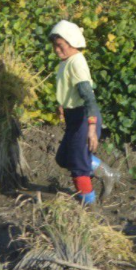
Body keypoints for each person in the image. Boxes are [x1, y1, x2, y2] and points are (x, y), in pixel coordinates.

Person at [50, 20, 117, 204]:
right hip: (74, 116)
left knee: (78, 166)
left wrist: (91, 128)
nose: (57, 50)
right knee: (64, 158)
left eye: (60, 45)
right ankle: (106, 173)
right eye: (55, 45)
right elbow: (70, 89)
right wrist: (63, 104)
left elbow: (88, 97)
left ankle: (89, 208)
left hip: (84, 117)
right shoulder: (66, 61)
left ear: (72, 42)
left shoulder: (77, 63)